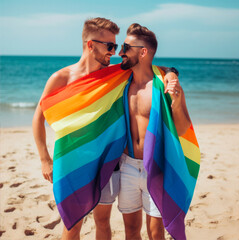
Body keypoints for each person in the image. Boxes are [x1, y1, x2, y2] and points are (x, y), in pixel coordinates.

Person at [33, 17, 178, 240]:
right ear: (90, 45)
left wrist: (170, 73)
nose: (114, 51)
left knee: (102, 222)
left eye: (116, 45)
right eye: (109, 46)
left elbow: (150, 67)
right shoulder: (61, 78)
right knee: (71, 224)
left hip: (108, 162)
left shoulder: (115, 73)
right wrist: (44, 159)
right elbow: (38, 118)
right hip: (71, 161)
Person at [118, 24, 191, 240]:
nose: (121, 52)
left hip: (156, 167)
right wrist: (171, 69)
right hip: (127, 165)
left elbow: (183, 127)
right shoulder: (120, 82)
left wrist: (176, 102)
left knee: (155, 232)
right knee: (130, 230)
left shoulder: (164, 85)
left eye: (125, 47)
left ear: (142, 52)